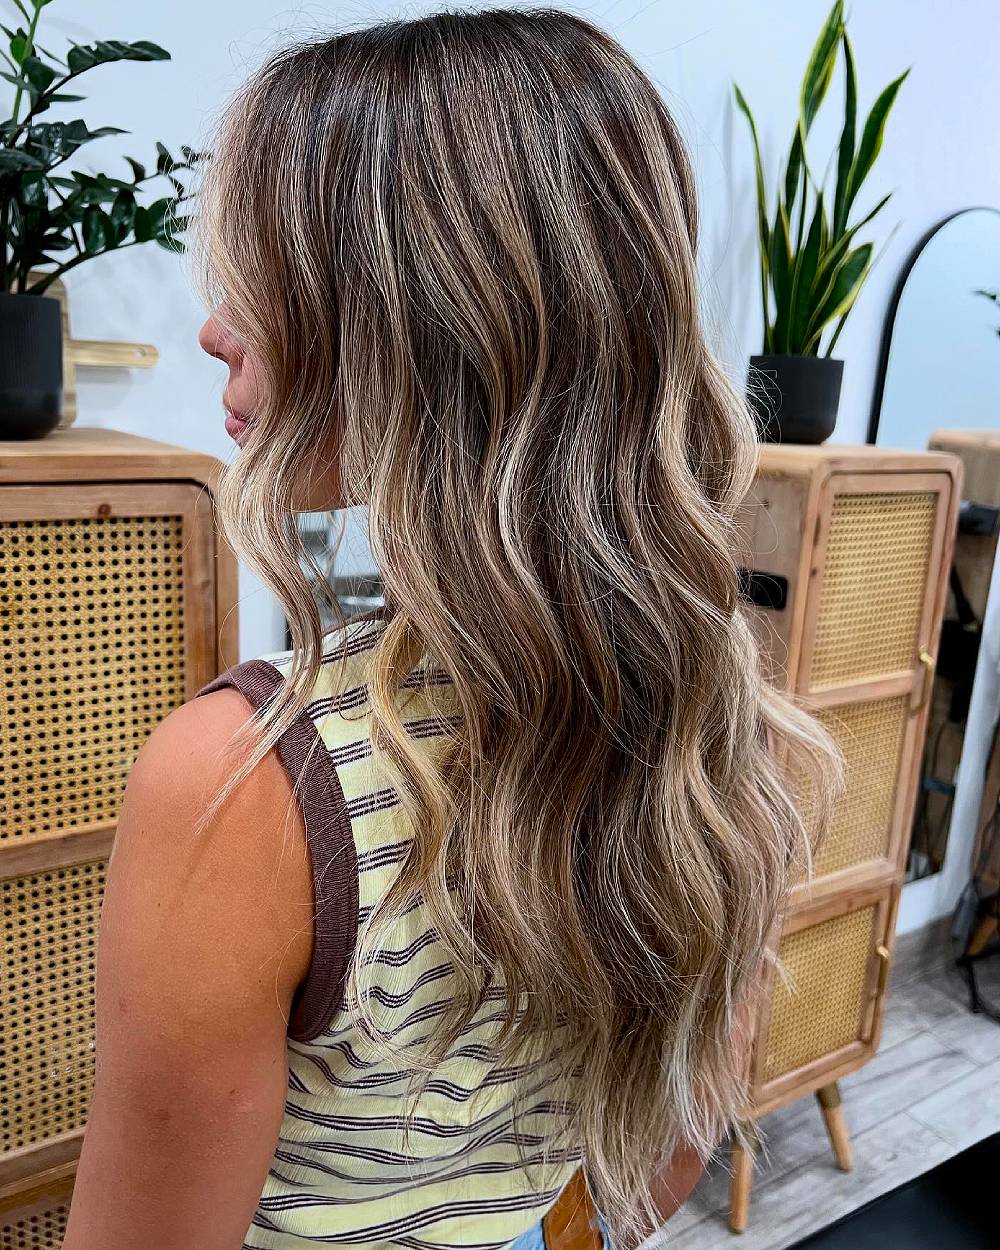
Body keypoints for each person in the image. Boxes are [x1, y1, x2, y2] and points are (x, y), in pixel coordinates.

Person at [63, 8, 837, 1250]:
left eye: (263, 270)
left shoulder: (243, 788)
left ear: (412, 331)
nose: (215, 325)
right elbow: (666, 1157)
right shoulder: (713, 714)